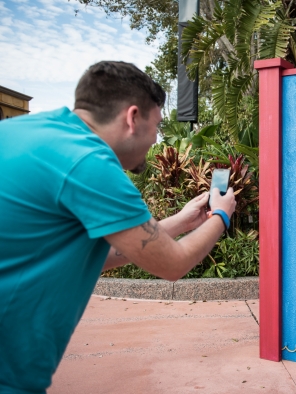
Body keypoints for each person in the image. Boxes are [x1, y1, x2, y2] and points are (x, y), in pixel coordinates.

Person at [0, 61, 236, 393]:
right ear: (132, 117)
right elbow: (173, 264)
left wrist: (183, 221)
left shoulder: (26, 132)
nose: (155, 140)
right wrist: (221, 216)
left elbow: (101, 253)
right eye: (156, 126)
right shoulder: (89, 162)